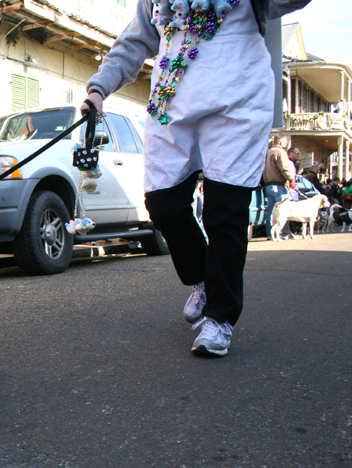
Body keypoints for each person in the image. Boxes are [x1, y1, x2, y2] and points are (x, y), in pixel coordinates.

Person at [80, 0, 311, 357]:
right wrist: (98, 92)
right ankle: (204, 278)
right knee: (162, 203)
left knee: (225, 209)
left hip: (238, 101)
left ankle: (220, 318)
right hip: (171, 104)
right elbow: (133, 43)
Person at [264, 134, 296, 239]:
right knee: (283, 211)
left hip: (268, 185)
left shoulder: (267, 152)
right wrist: (291, 179)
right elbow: (285, 167)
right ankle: (283, 233)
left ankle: (270, 233)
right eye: (285, 143)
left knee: (271, 211)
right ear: (281, 143)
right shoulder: (280, 152)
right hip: (279, 185)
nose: (286, 145)